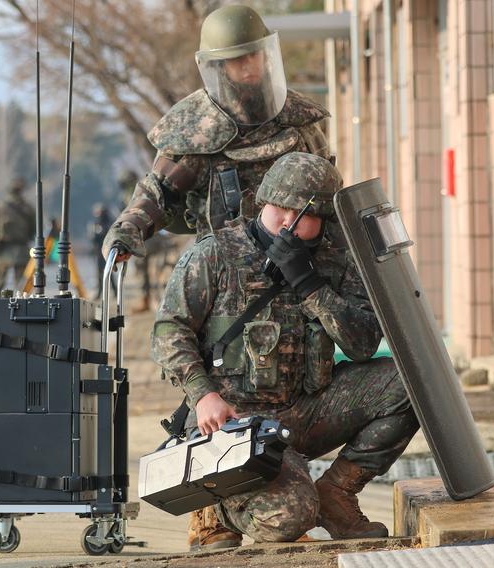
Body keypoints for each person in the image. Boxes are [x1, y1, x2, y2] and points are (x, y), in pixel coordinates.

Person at [151, 153, 419, 549]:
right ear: (264, 202)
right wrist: (203, 395)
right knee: (289, 519)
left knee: (412, 383)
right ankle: (212, 504)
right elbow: (168, 331)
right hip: (233, 421)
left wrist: (311, 286)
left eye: (301, 213)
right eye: (280, 208)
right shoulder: (216, 253)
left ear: (322, 220)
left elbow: (362, 344)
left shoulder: (335, 261)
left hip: (304, 411)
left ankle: (336, 494)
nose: (287, 221)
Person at [102, 4, 333, 264]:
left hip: (302, 266)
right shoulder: (196, 129)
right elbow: (158, 194)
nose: (247, 66)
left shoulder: (300, 121)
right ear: (219, 66)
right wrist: (127, 230)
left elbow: (330, 195)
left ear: (266, 55)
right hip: (223, 275)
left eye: (253, 55)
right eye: (237, 59)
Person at [0, 178, 35, 298]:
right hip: (21, 248)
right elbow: (33, 230)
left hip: (4, 248)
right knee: (20, 282)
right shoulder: (28, 208)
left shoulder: (0, 206)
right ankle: (22, 304)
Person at [90, 203, 114, 298]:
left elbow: (103, 235)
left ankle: (112, 291)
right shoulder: (98, 222)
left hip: (106, 250)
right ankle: (101, 292)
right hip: (100, 250)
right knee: (101, 271)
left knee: (107, 271)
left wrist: (97, 234)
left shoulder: (106, 222)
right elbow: (94, 238)